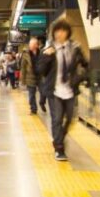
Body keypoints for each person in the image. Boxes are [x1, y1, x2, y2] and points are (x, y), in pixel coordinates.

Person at [37, 19, 89, 161]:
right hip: (54, 90)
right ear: (54, 33)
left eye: (63, 31)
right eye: (57, 31)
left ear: (67, 33)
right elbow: (41, 71)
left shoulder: (75, 48)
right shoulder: (48, 50)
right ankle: (59, 148)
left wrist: (80, 78)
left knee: (70, 119)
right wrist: (47, 57)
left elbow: (85, 65)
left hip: (70, 89)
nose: (60, 34)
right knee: (57, 119)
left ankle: (58, 139)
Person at [20, 37, 44, 114]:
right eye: (30, 44)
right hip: (30, 77)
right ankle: (33, 109)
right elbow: (23, 68)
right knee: (31, 95)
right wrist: (23, 80)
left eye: (33, 44)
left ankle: (42, 102)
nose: (31, 46)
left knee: (43, 92)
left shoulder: (41, 53)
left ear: (37, 45)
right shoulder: (25, 54)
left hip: (40, 76)